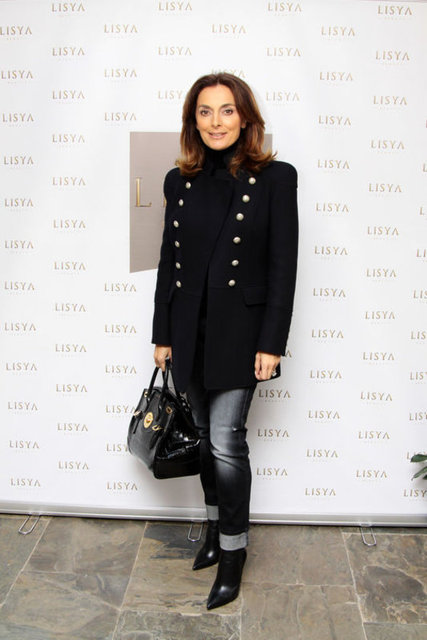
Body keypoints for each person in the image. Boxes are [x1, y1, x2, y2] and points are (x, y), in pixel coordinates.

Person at [152, 73, 298, 609]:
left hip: (242, 335)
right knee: (204, 440)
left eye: (227, 110)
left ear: (246, 117)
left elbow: (283, 267)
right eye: (205, 112)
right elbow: (169, 262)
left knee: (226, 442)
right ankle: (214, 533)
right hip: (190, 331)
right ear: (193, 121)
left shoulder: (276, 178)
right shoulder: (178, 181)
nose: (216, 122)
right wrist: (162, 332)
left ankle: (233, 556)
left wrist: (272, 343)